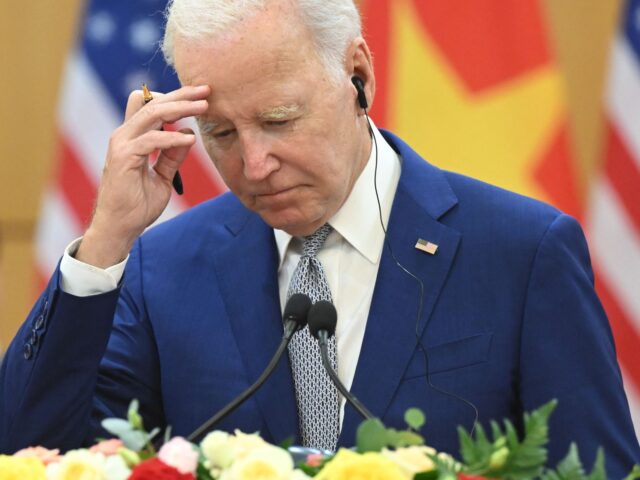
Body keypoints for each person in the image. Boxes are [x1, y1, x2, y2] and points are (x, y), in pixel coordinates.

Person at [1, 0, 639, 476]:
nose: (254, 166)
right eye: (220, 134)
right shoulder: (160, 268)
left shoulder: (521, 253)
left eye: (279, 121)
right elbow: (33, 453)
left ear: (356, 73)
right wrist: (104, 243)